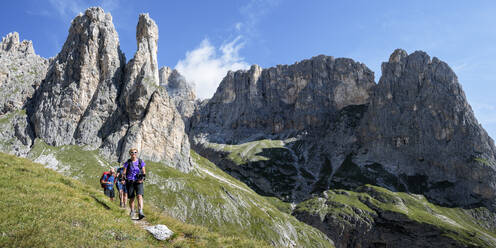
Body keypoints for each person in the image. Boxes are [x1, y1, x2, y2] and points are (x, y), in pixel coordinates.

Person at [123, 148, 146, 220]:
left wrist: (142, 179)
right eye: (132, 152)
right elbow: (124, 172)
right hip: (130, 182)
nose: (134, 154)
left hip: (138, 181)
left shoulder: (140, 162)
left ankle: (140, 211)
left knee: (139, 196)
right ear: (130, 154)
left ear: (137, 153)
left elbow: (144, 172)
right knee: (132, 198)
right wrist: (123, 179)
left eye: (135, 152)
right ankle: (132, 211)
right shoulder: (127, 162)